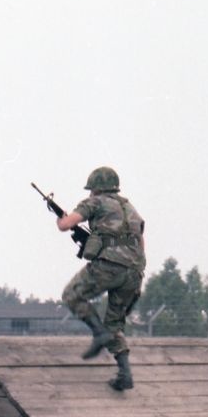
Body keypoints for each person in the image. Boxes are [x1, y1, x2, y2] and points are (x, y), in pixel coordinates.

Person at [57, 165, 146, 391]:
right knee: (115, 323)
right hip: (134, 272)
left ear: (96, 189)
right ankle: (125, 374)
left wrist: (61, 220)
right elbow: (140, 241)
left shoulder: (95, 202)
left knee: (71, 296)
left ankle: (99, 334)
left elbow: (67, 224)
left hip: (109, 266)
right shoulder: (131, 208)